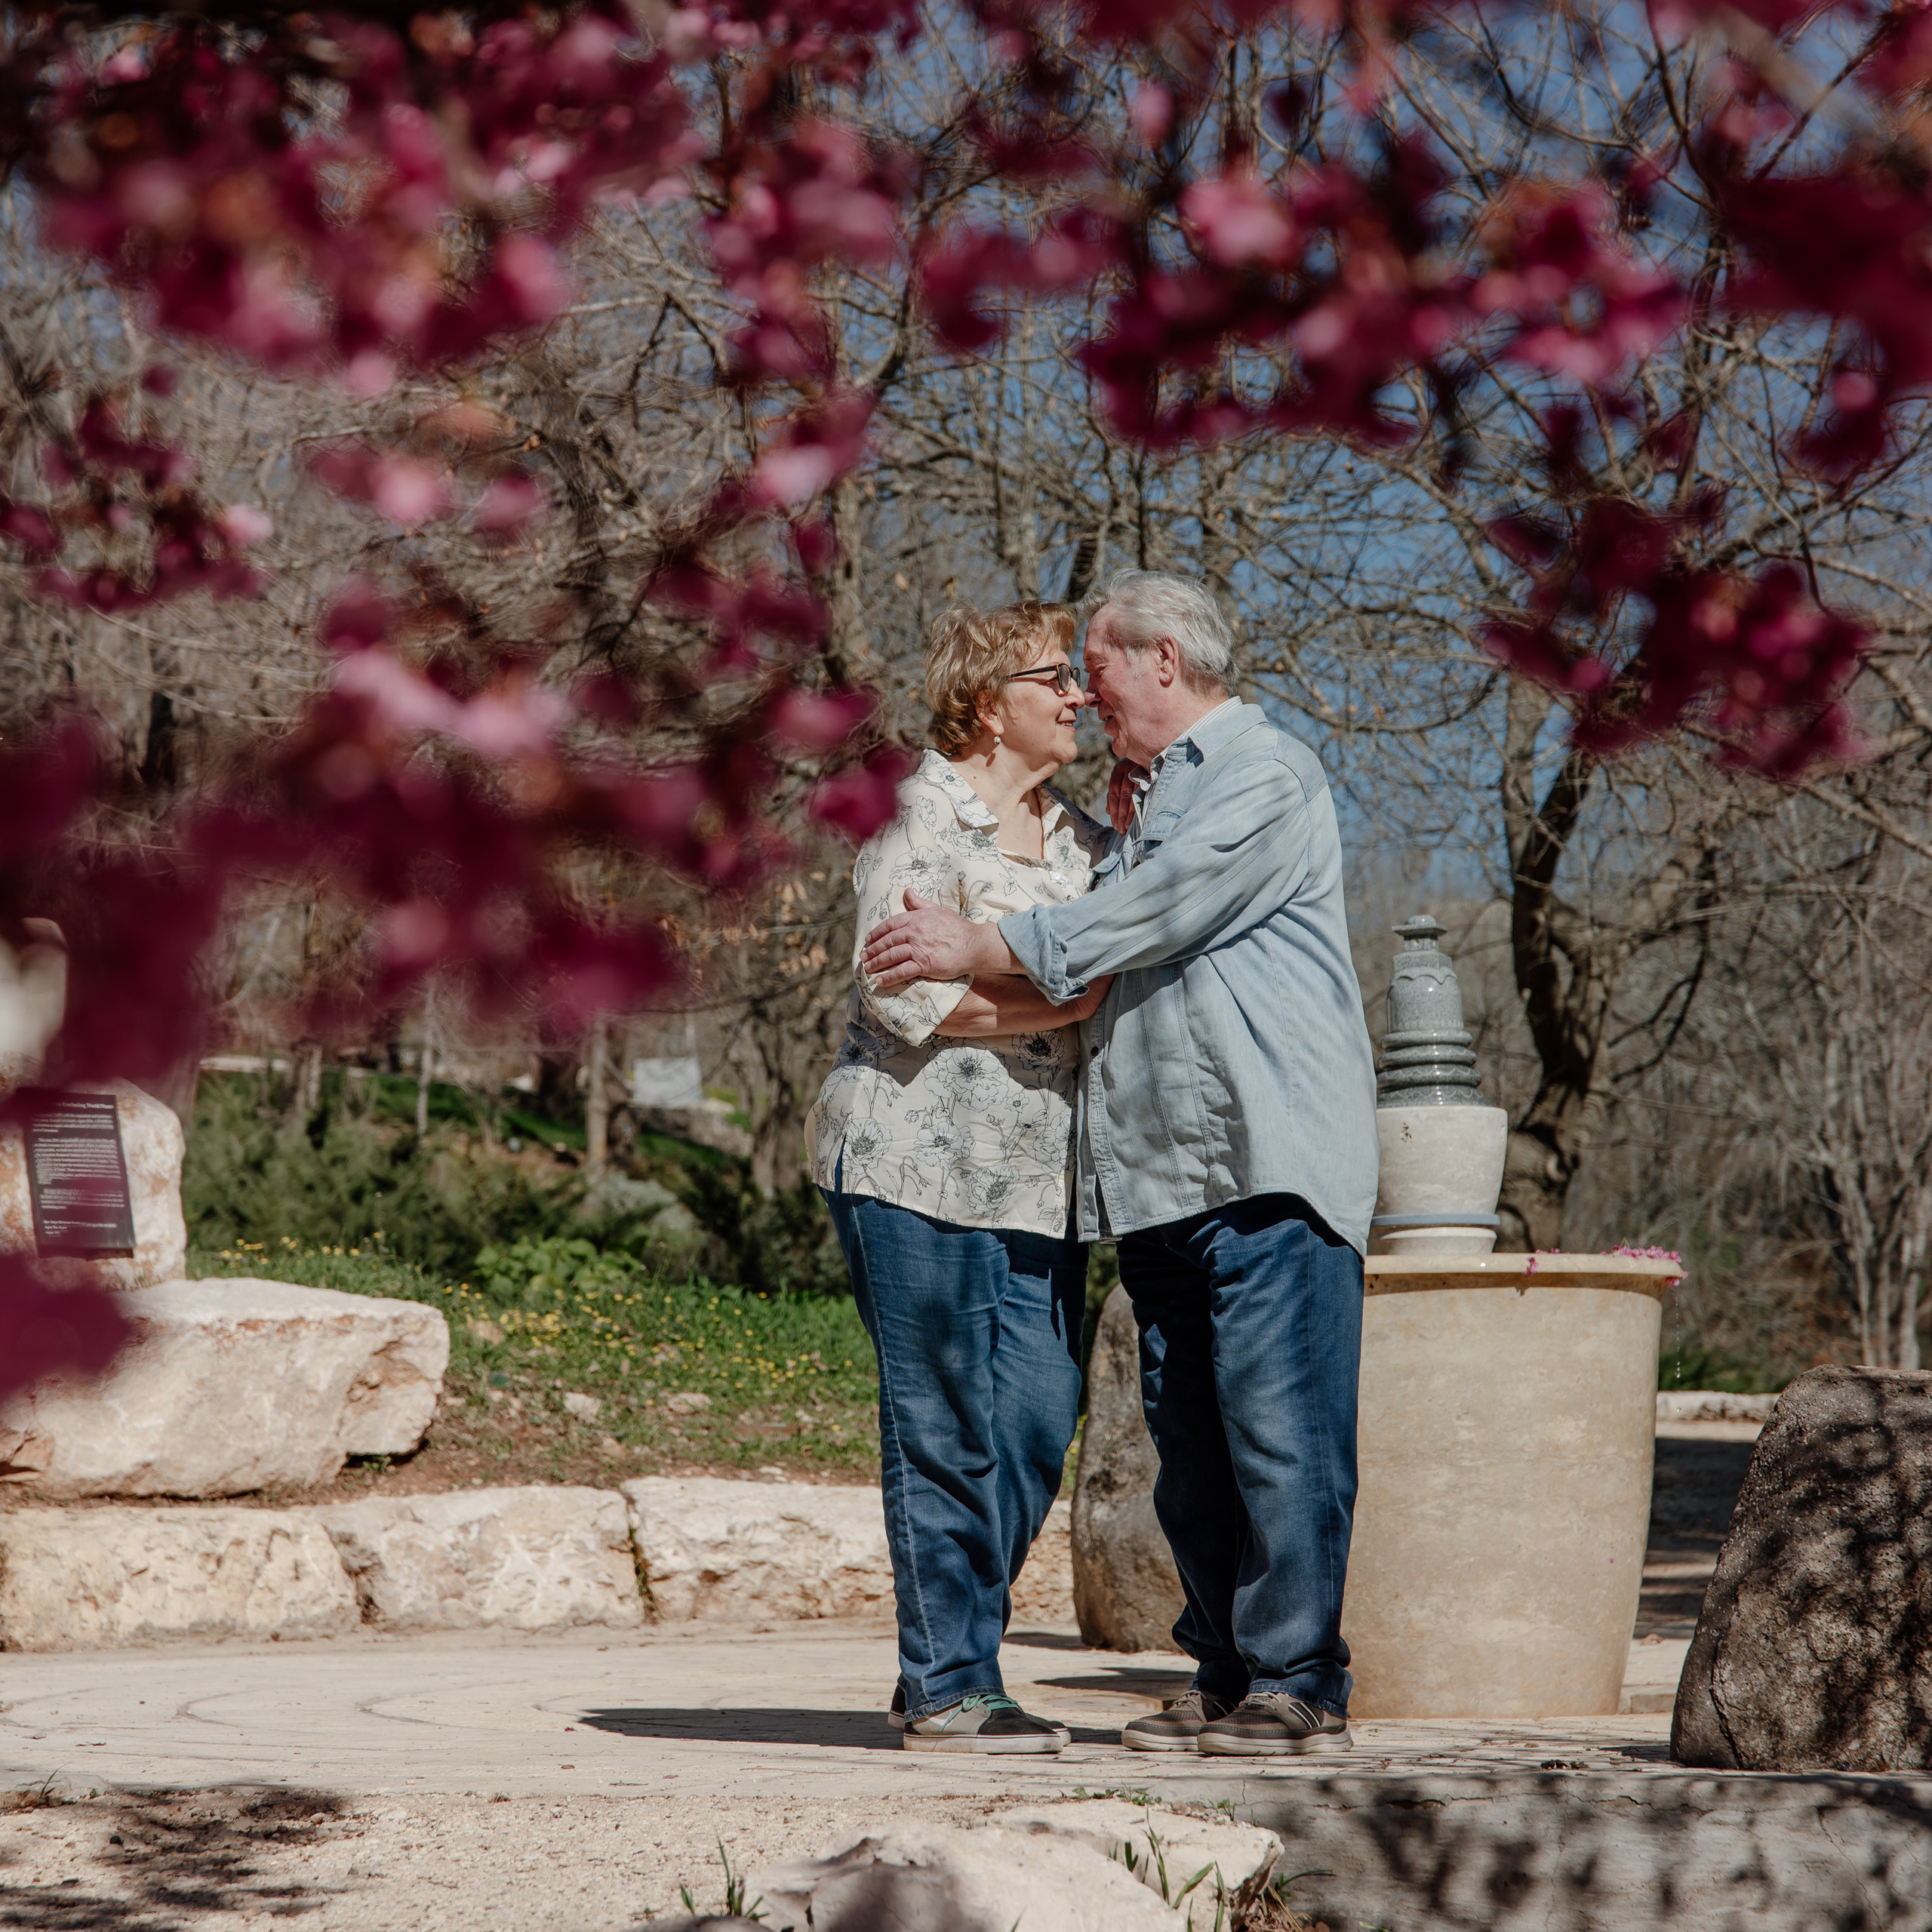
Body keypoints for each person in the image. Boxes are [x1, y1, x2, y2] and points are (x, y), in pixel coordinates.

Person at [861, 568, 1378, 1758]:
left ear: (1163, 660)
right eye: (1069, 676)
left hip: (1265, 1166)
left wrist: (983, 940)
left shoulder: (1261, 773)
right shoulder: (1137, 809)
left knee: (1283, 1432)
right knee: (1191, 1451)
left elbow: (1156, 917)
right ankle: (1226, 1670)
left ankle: (1299, 1682)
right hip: (1154, 1186)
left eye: (1097, 669)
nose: (1089, 697)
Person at [805, 599, 1114, 1755]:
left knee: (1038, 1421)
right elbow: (906, 997)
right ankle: (949, 1684)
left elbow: (1110, 973)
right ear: (988, 702)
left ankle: (945, 1656)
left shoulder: (1085, 840)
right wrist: (1064, 1000)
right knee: (941, 1426)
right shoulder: (914, 817)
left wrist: (1060, 995)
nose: (1079, 696)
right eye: (1057, 678)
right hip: (909, 1167)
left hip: (1045, 1184)